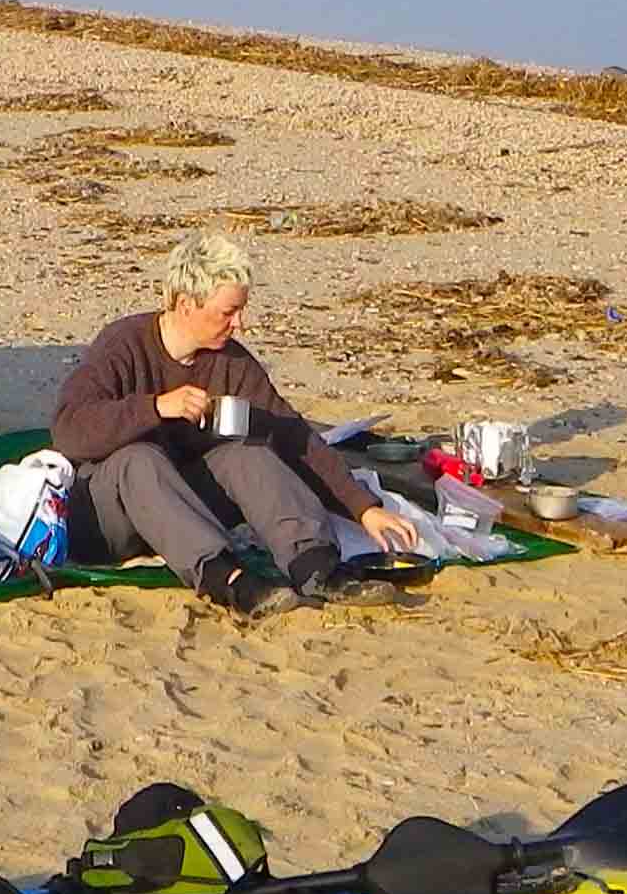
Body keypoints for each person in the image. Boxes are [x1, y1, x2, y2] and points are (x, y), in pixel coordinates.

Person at [49, 233, 425, 617]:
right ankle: (228, 580)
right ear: (185, 304)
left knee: (245, 453)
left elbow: (292, 436)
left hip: (182, 509)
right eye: (228, 312)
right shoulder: (123, 345)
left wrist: (363, 508)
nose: (238, 324)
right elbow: (69, 429)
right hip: (108, 517)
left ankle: (315, 567)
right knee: (139, 458)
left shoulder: (231, 364)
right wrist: (156, 407)